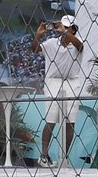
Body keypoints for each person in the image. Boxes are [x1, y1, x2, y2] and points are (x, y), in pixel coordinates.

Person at [34, 14, 86, 167]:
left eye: (67, 27)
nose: (62, 29)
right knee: (51, 120)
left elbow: (80, 46)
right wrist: (38, 35)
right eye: (61, 26)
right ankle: (44, 156)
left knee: (70, 122)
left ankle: (64, 157)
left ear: (74, 29)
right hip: (53, 81)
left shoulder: (78, 42)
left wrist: (65, 32)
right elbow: (35, 49)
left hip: (72, 82)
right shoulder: (51, 43)